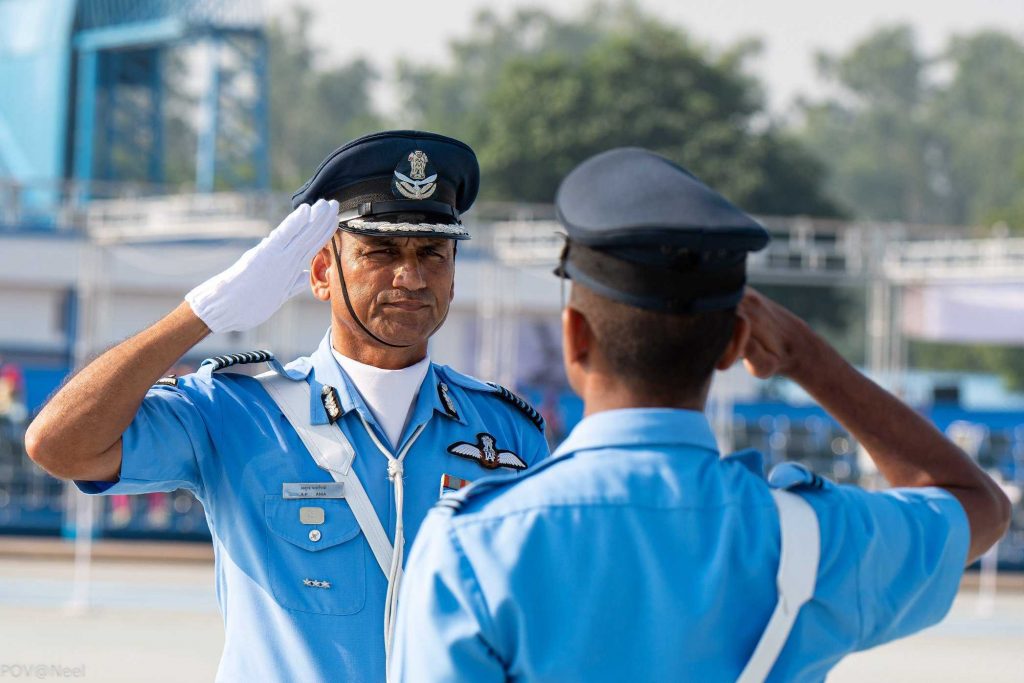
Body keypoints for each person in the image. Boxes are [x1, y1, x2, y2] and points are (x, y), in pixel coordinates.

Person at [391, 147, 1011, 682]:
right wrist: (808, 359)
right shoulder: (812, 538)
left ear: (575, 337)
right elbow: (977, 505)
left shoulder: (474, 548)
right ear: (735, 345)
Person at [25, 130, 549, 682]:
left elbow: (542, 617)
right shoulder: (237, 411)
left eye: (433, 254)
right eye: (380, 251)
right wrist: (199, 314)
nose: (412, 277)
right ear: (323, 272)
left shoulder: (504, 432)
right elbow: (59, 446)